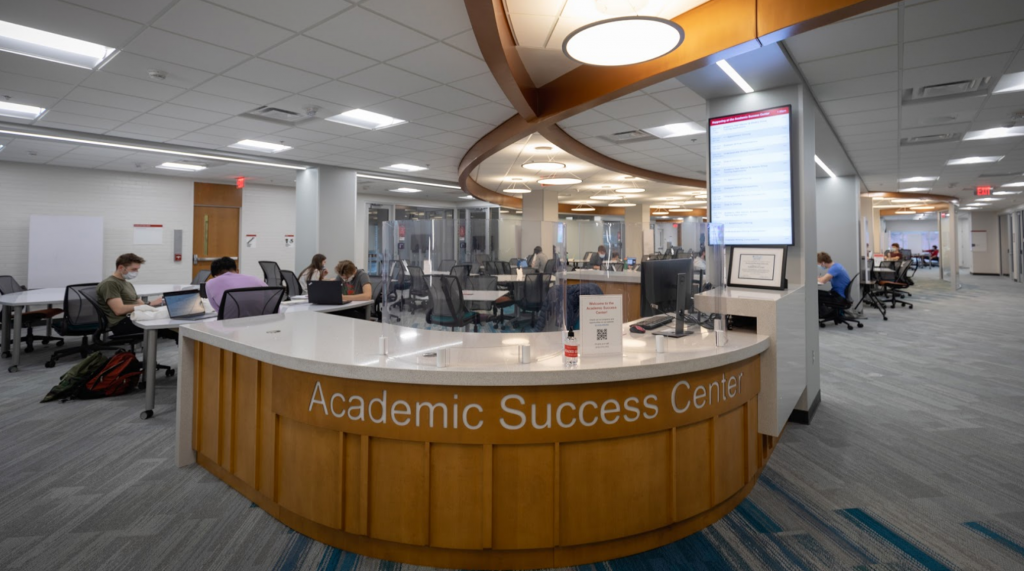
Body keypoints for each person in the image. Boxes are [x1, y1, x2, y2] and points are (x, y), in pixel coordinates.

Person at [97, 253, 164, 336]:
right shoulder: (110, 284)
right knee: (165, 328)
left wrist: (154, 303)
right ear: (121, 268)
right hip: (122, 323)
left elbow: (141, 304)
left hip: (132, 318)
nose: (136, 272)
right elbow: (119, 310)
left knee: (166, 319)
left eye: (137, 269)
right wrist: (144, 306)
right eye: (134, 269)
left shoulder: (127, 284)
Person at [816, 252, 851, 318]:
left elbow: (822, 281)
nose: (819, 266)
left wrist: (816, 279)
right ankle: (827, 313)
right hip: (840, 294)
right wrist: (820, 278)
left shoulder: (834, 269)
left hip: (838, 297)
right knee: (816, 293)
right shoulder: (837, 266)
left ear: (823, 263)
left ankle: (826, 314)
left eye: (818, 264)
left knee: (814, 295)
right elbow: (826, 279)